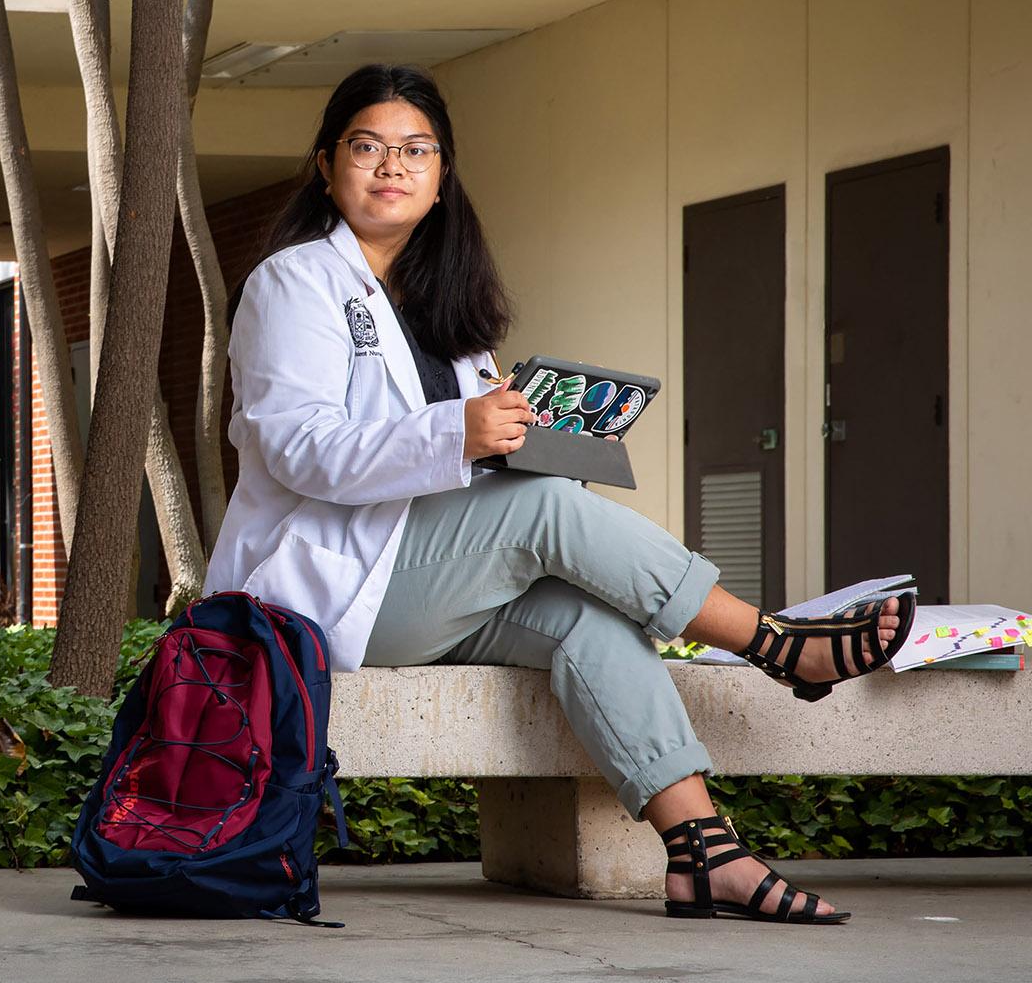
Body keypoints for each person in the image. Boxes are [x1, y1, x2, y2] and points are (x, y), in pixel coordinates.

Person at [203, 63, 913, 924]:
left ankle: (703, 853)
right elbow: (295, 447)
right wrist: (459, 433)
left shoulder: (444, 304)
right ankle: (775, 644)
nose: (392, 166)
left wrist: (530, 440)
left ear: (442, 176)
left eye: (415, 150)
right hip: (329, 587)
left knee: (589, 618)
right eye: (368, 146)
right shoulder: (293, 283)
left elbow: (468, 464)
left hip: (425, 577)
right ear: (327, 164)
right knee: (540, 516)